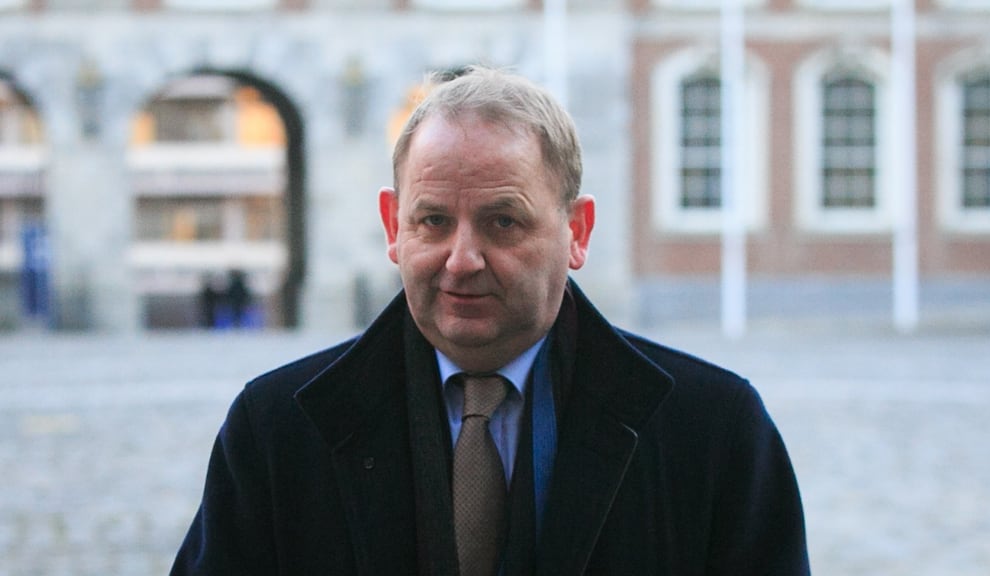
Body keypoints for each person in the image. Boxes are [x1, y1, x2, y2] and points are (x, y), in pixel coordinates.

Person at [172, 66, 810, 575]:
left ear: (577, 232)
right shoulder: (275, 430)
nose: (462, 260)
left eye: (503, 221)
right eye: (433, 221)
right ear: (393, 226)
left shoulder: (715, 430)